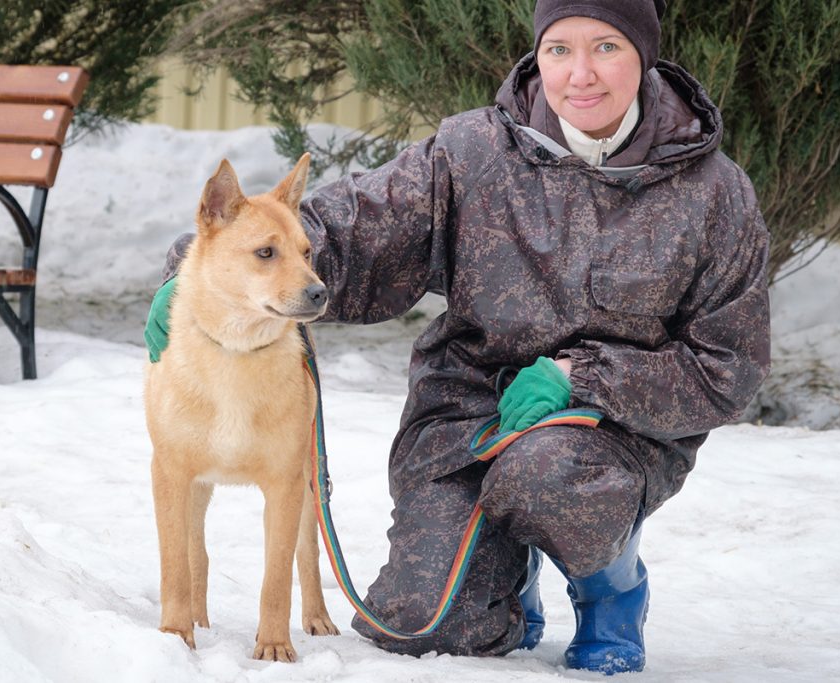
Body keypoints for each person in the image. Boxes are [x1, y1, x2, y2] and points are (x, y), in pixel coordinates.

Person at [145, 0, 770, 674]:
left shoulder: (713, 193)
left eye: (606, 47)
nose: (580, 74)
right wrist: (198, 271)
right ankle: (504, 581)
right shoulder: (473, 151)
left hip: (610, 432)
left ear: (644, 54)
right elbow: (353, 227)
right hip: (466, 418)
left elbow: (726, 367)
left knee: (547, 473)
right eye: (560, 49)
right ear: (538, 56)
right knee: (419, 624)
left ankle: (610, 587)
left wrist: (579, 377)